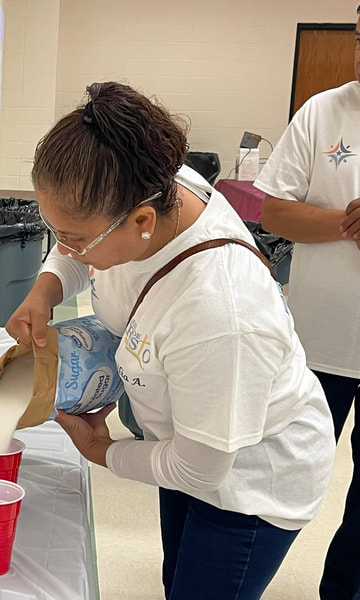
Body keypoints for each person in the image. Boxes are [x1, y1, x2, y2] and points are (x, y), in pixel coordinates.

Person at [6, 81, 336, 600]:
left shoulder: (219, 310)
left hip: (248, 480)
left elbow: (199, 469)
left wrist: (103, 451)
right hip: (184, 436)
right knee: (176, 578)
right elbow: (79, 237)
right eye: (56, 231)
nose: (64, 248)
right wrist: (44, 291)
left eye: (73, 239)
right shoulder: (146, 182)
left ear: (142, 221)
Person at [253, 7, 360, 599]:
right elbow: (273, 210)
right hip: (320, 342)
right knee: (284, 470)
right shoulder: (323, 111)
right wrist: (346, 224)